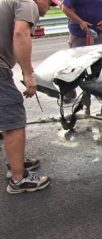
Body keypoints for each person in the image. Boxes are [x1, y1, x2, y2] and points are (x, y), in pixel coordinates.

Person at [0, 0, 52, 194]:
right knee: (12, 117)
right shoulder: (27, 3)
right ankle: (18, 179)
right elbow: (21, 33)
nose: (48, 8)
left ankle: (16, 163)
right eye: (49, 3)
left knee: (5, 115)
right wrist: (29, 74)